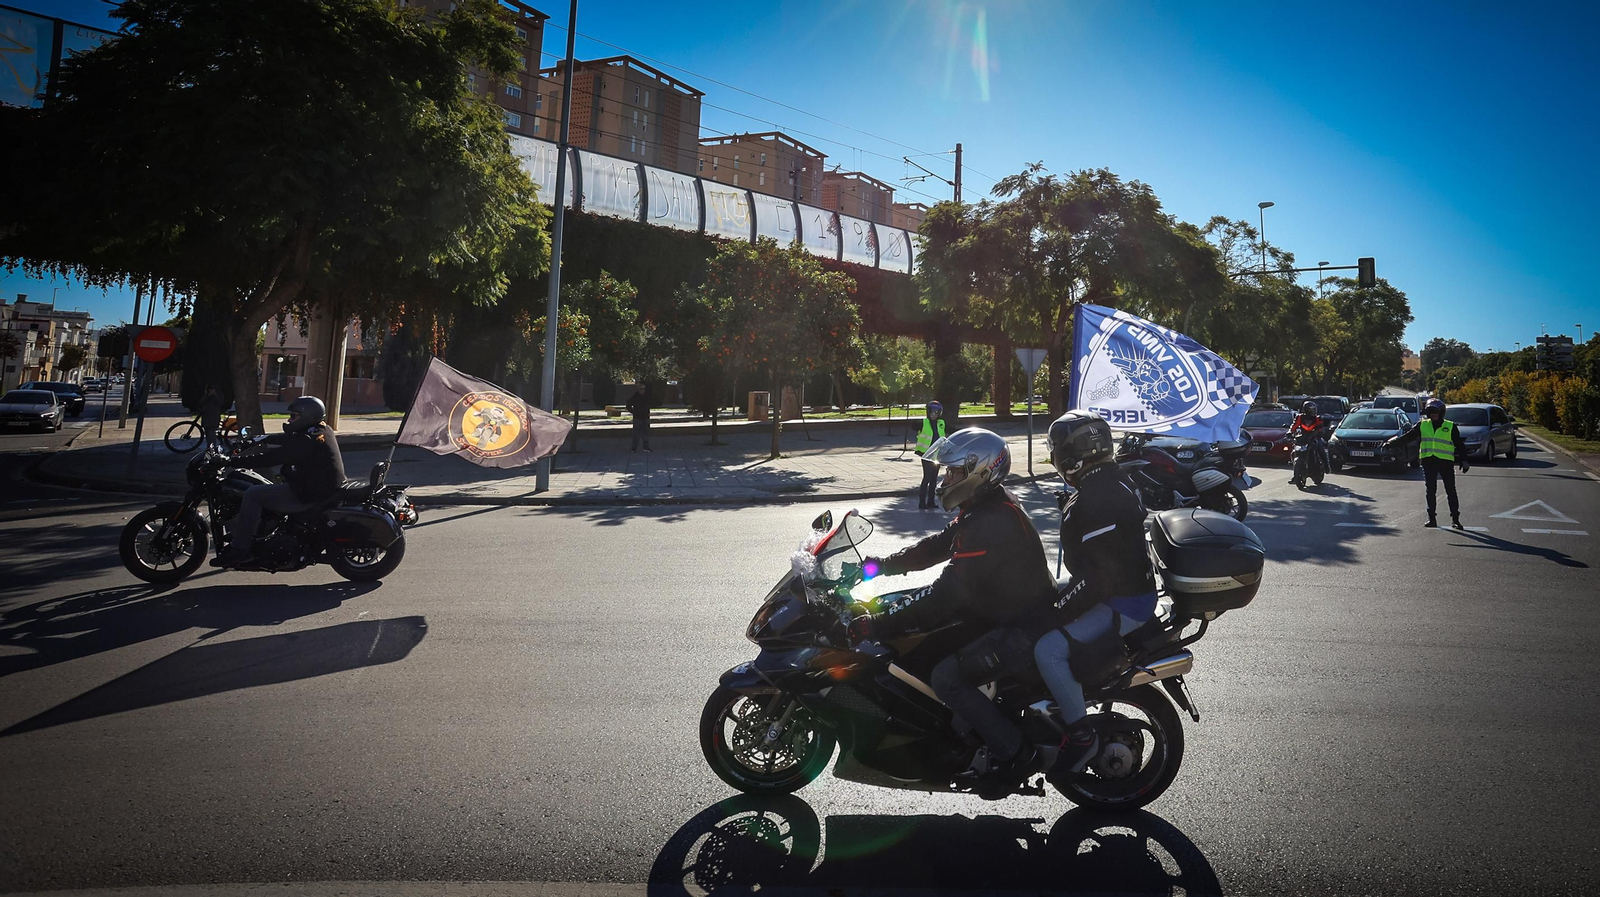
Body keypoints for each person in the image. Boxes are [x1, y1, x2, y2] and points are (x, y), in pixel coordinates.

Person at [848, 427, 1058, 798]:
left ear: (980, 472)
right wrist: (875, 566)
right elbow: (935, 547)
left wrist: (879, 624)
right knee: (921, 635)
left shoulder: (990, 522)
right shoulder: (982, 508)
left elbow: (946, 595)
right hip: (998, 612)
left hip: (1022, 626)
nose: (945, 480)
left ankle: (1015, 754)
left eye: (953, 472)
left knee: (946, 677)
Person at [1031, 411, 1160, 775]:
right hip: (1123, 587)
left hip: (1124, 601)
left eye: (1057, 449)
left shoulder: (1098, 497)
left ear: (1072, 455)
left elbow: (1096, 579)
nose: (1055, 456)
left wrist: (1056, 611)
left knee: (1047, 650)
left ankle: (1081, 735)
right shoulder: (1111, 480)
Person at [211, 396, 346, 568]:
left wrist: (231, 461)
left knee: (252, 494)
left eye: (293, 416)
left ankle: (240, 549)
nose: (289, 420)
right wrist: (263, 439)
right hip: (322, 488)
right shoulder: (320, 430)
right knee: (265, 488)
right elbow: (289, 440)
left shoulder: (305, 441)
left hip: (308, 494)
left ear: (306, 416)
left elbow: (270, 458)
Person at [1385, 398, 1469, 528]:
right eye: (1431, 413)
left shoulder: (1450, 426)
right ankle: (1432, 519)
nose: (1434, 415)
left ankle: (1455, 519)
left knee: (1450, 491)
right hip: (1429, 461)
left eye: (1436, 412)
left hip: (1445, 462)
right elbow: (1408, 437)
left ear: (1441, 413)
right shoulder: (1422, 425)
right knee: (1430, 491)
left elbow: (1459, 445)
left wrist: (1464, 460)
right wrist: (1391, 443)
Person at [915, 401, 946, 509]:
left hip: (937, 456)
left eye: (936, 413)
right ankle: (922, 502)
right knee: (927, 478)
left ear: (939, 413)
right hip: (926, 455)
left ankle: (931, 502)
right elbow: (914, 426)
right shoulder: (923, 423)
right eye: (931, 413)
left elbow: (952, 430)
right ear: (928, 412)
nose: (933, 415)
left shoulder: (941, 423)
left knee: (934, 479)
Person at [1288, 401, 1330, 478]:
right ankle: (1296, 473)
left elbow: (1321, 427)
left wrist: (1320, 432)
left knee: (1320, 448)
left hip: (1315, 436)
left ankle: (1326, 466)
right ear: (1306, 410)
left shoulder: (1317, 418)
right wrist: (1290, 432)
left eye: (1314, 409)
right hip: (1303, 436)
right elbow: (1294, 425)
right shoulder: (1300, 417)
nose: (1313, 411)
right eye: (1311, 409)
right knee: (1294, 450)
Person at [627, 384, 652, 453]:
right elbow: (628, 405)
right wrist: (634, 412)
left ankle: (646, 447)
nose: (642, 390)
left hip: (645, 417)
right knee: (636, 434)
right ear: (638, 390)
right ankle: (634, 447)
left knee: (646, 433)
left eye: (644, 389)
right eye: (641, 389)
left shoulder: (647, 396)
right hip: (637, 418)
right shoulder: (635, 397)